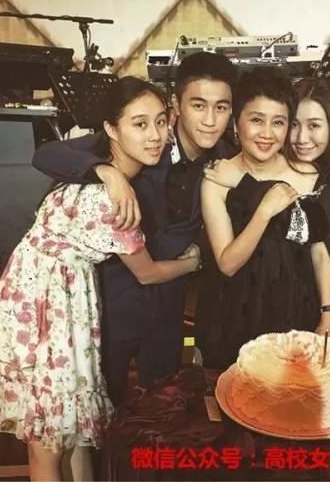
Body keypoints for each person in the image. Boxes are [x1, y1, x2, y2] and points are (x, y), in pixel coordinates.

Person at [0, 77, 200, 481]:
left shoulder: (92, 167)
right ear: (110, 129)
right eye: (140, 124)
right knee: (49, 441)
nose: (155, 135)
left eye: (160, 122)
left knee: (71, 431)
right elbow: (148, 272)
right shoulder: (111, 197)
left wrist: (108, 171)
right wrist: (194, 263)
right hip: (47, 313)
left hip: (41, 298)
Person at [32, 52, 237, 404]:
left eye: (222, 108)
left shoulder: (225, 157)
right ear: (177, 106)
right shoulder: (143, 140)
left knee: (161, 401)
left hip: (169, 301)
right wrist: (106, 172)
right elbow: (47, 154)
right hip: (113, 299)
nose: (210, 120)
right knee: (102, 402)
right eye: (199, 106)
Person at [203, 78, 330, 355]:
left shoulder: (308, 172)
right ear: (236, 122)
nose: (267, 133)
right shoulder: (217, 177)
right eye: (256, 120)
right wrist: (264, 211)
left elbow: (318, 246)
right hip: (238, 307)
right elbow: (228, 264)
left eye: (279, 123)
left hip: (298, 303)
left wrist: (328, 311)